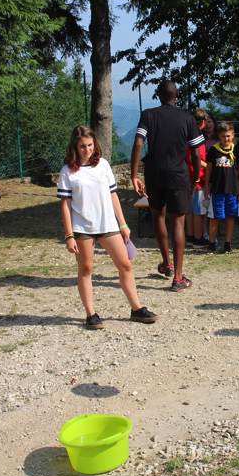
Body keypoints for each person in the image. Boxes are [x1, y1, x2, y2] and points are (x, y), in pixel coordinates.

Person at [59, 126, 157, 329]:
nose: (87, 150)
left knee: (125, 265)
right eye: (82, 146)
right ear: (75, 147)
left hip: (108, 224)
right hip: (83, 227)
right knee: (86, 269)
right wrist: (69, 235)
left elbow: (113, 196)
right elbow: (65, 206)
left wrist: (123, 224)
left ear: (95, 144)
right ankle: (91, 314)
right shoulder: (67, 171)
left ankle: (136, 309)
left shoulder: (103, 165)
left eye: (90, 145)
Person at [131, 81, 204, 291]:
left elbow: (138, 143)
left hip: (154, 174)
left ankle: (167, 264)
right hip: (179, 175)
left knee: (158, 217)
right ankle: (178, 278)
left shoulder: (148, 115)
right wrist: (195, 179)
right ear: (177, 94)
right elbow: (196, 154)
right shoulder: (188, 118)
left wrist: (134, 174)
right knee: (178, 224)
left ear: (158, 95)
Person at [204, 122, 239, 254]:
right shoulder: (214, 150)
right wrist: (206, 186)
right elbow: (209, 169)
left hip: (232, 189)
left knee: (231, 216)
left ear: (233, 135)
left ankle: (228, 244)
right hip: (217, 189)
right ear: (219, 136)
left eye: (228, 136)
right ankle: (212, 244)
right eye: (223, 136)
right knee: (215, 217)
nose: (226, 138)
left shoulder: (237, 150)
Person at [185, 108, 210, 247]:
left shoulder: (186, 135)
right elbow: (193, 158)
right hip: (197, 179)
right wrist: (209, 167)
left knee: (189, 210)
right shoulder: (197, 138)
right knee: (199, 211)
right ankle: (198, 238)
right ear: (202, 122)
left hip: (188, 177)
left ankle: (190, 236)